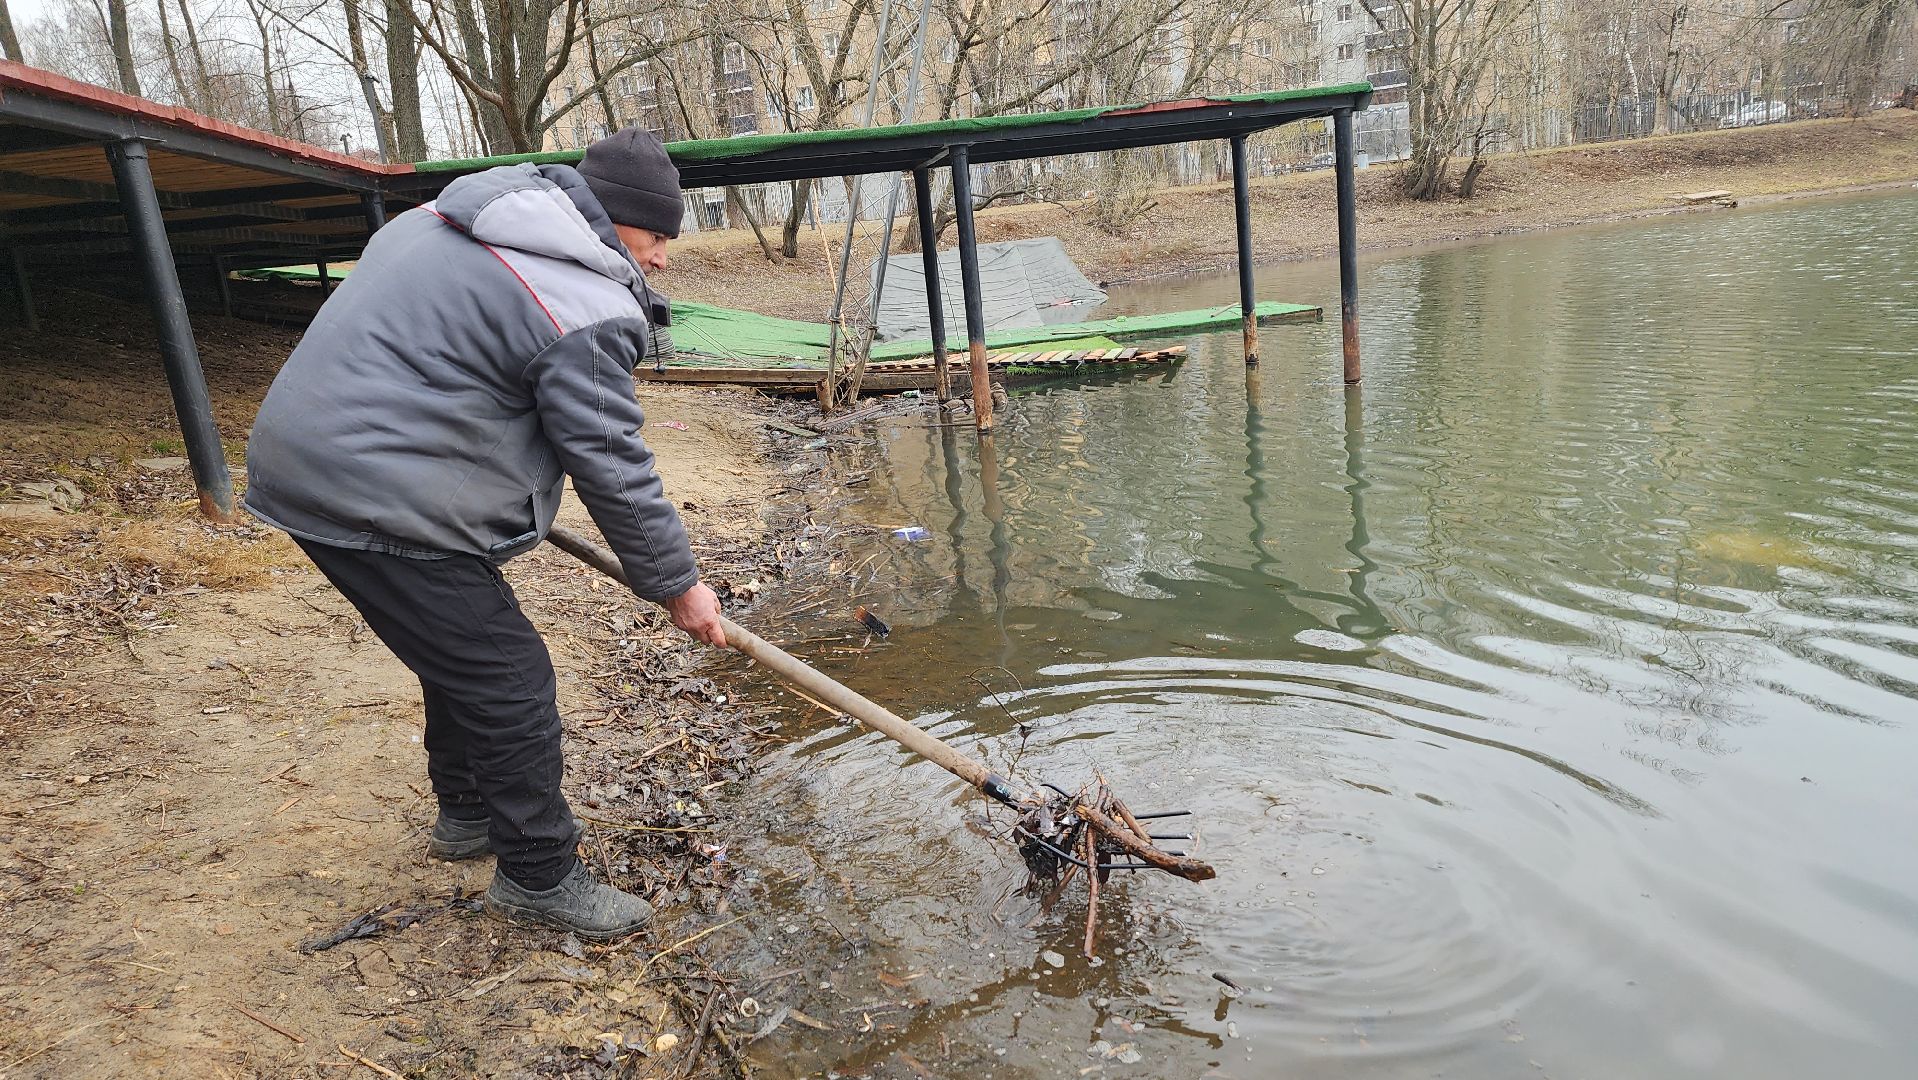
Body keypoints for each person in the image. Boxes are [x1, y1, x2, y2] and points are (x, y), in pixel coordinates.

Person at [243, 128, 723, 941]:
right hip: (373, 484)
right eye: (657, 235)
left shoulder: (446, 217)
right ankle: (539, 875)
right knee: (510, 677)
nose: (663, 258)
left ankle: (467, 814)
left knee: (461, 649)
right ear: (612, 216)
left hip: (320, 455)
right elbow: (611, 461)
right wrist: (678, 585)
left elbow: (446, 366)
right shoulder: (582, 302)